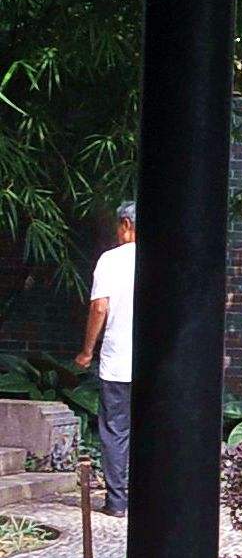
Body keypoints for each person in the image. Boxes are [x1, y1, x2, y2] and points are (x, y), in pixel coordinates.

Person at [71, 200, 134, 514]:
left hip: (118, 361)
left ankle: (118, 501)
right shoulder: (166, 258)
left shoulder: (111, 260)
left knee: (115, 430)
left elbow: (99, 307)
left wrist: (86, 351)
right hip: (157, 365)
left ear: (125, 225)